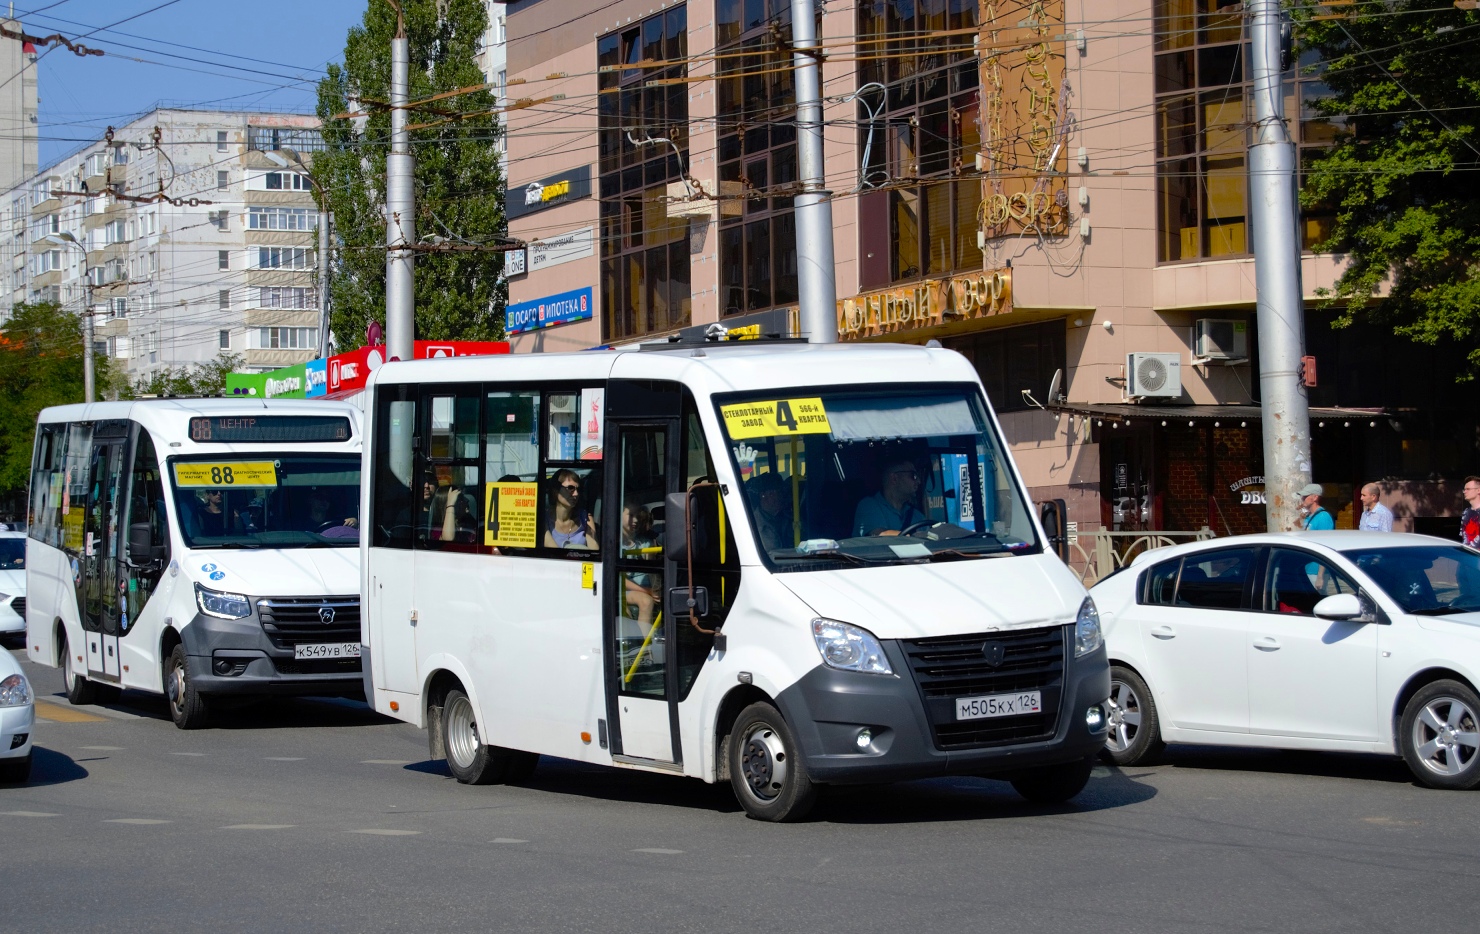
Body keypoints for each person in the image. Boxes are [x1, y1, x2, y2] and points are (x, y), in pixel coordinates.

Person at [854, 457, 927, 537]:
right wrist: (915, 537)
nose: (919, 482)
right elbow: (880, 535)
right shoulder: (869, 506)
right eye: (913, 476)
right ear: (894, 479)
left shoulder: (917, 515)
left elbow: (931, 537)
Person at [620, 499, 657, 630]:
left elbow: (652, 573)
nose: (635, 520)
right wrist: (648, 591)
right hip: (624, 590)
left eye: (637, 516)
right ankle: (643, 645)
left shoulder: (646, 544)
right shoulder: (616, 545)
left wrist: (657, 589)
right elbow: (620, 581)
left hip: (647, 589)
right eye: (630, 515)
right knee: (646, 601)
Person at [544, 468, 597, 549]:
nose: (576, 494)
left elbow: (594, 552)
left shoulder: (586, 518)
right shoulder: (544, 519)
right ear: (556, 491)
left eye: (578, 489)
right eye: (570, 488)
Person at [750, 471, 793, 551]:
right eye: (773, 493)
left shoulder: (789, 518)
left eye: (781, 492)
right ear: (763, 496)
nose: (780, 497)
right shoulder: (753, 525)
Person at [1461, 475, 1480, 547]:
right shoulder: (1465, 513)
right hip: (1469, 555)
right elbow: (1463, 537)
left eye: (1468, 489)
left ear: (1478, 490)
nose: (1464, 492)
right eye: (1464, 489)